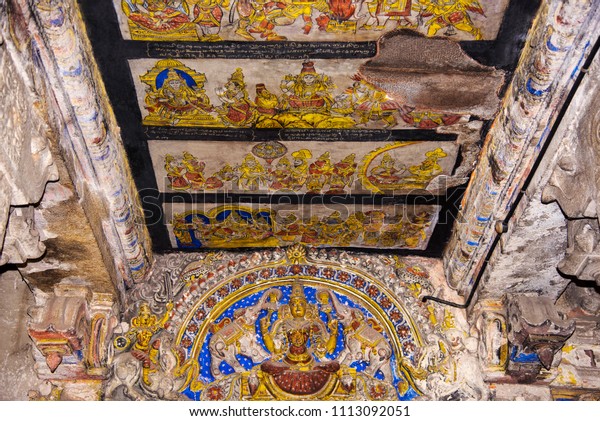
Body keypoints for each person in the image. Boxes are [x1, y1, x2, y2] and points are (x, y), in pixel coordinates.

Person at [260, 284, 339, 395]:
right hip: (287, 362)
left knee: (332, 368)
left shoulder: (314, 324)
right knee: (266, 367)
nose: (297, 307)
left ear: (307, 307)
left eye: (301, 304)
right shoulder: (282, 324)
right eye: (294, 304)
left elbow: (327, 350)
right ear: (288, 307)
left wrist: (333, 333)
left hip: (309, 362)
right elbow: (274, 348)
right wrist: (264, 332)